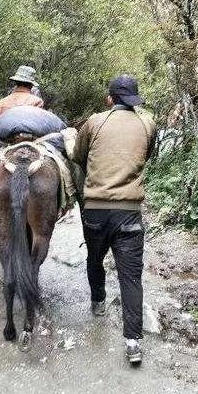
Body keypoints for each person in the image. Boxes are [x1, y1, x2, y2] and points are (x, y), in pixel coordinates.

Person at [72, 75, 156, 365]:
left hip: (95, 209)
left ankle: (98, 302)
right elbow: (147, 155)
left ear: (110, 98)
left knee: (95, 259)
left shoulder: (94, 122)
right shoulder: (148, 123)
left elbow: (78, 156)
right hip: (129, 213)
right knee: (130, 276)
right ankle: (133, 342)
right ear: (135, 99)